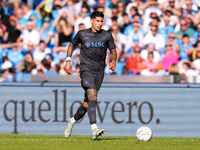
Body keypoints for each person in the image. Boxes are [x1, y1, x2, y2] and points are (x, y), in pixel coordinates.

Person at [64, 11, 117, 140]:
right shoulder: (82, 34)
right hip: (86, 70)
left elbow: (113, 50)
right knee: (93, 94)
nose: (99, 23)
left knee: (87, 103)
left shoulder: (106, 35)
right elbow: (71, 45)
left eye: (101, 21)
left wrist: (113, 60)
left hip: (99, 72)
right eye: (97, 21)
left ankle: (72, 120)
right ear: (91, 21)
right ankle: (94, 129)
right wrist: (68, 60)